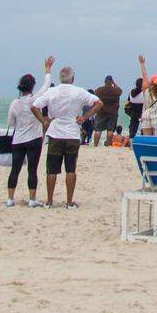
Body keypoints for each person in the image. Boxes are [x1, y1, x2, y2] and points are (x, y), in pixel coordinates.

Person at [28, 64, 102, 209]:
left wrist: (43, 121)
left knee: (52, 169)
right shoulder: (79, 92)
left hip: (55, 132)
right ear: (72, 78)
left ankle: (49, 202)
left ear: (60, 78)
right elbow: (99, 103)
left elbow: (34, 106)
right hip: (72, 133)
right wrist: (85, 117)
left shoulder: (52, 91)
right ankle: (69, 202)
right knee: (71, 169)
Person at [6, 63, 51, 207]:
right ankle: (32, 199)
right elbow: (46, 85)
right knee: (32, 169)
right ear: (32, 87)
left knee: (15, 169)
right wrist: (48, 70)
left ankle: (10, 198)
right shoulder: (35, 99)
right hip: (34, 139)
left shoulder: (15, 103)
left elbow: (10, 122)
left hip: (18, 139)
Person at [92, 75, 122, 146]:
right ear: (111, 82)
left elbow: (95, 94)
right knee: (110, 130)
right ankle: (108, 144)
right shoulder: (116, 90)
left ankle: (95, 145)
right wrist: (114, 84)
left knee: (98, 129)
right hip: (113, 113)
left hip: (101, 112)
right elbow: (120, 91)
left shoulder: (99, 90)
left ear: (105, 82)